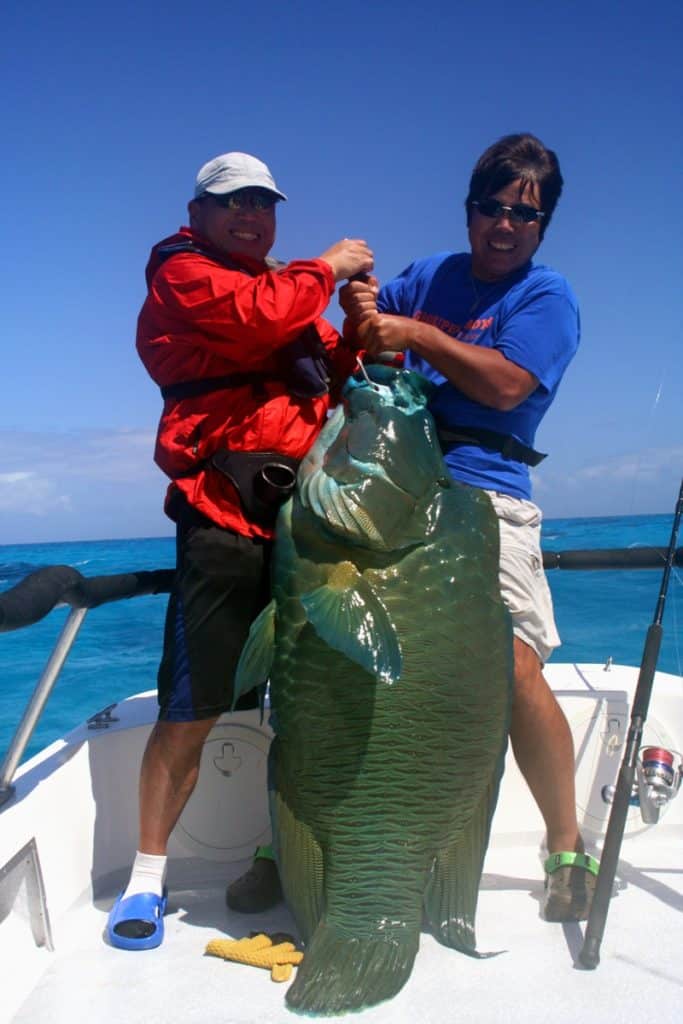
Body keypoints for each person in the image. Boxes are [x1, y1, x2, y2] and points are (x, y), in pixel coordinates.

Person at [105, 151, 373, 949]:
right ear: (197, 213)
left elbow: (335, 369)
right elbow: (258, 315)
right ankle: (147, 881)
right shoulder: (186, 275)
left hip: (305, 531)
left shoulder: (291, 295)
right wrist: (330, 265)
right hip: (219, 524)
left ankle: (278, 854)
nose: (251, 215)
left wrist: (361, 328)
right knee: (192, 709)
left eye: (264, 204)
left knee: (311, 699)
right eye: (233, 203)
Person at [339, 133, 596, 923]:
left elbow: (505, 385)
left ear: (543, 225)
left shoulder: (545, 298)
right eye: (491, 207)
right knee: (342, 655)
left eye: (525, 213)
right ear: (468, 210)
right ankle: (308, 837)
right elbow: (361, 345)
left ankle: (564, 845)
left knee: (514, 667)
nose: (505, 225)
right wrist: (361, 316)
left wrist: (414, 335)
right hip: (394, 485)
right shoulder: (428, 275)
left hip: (486, 495)